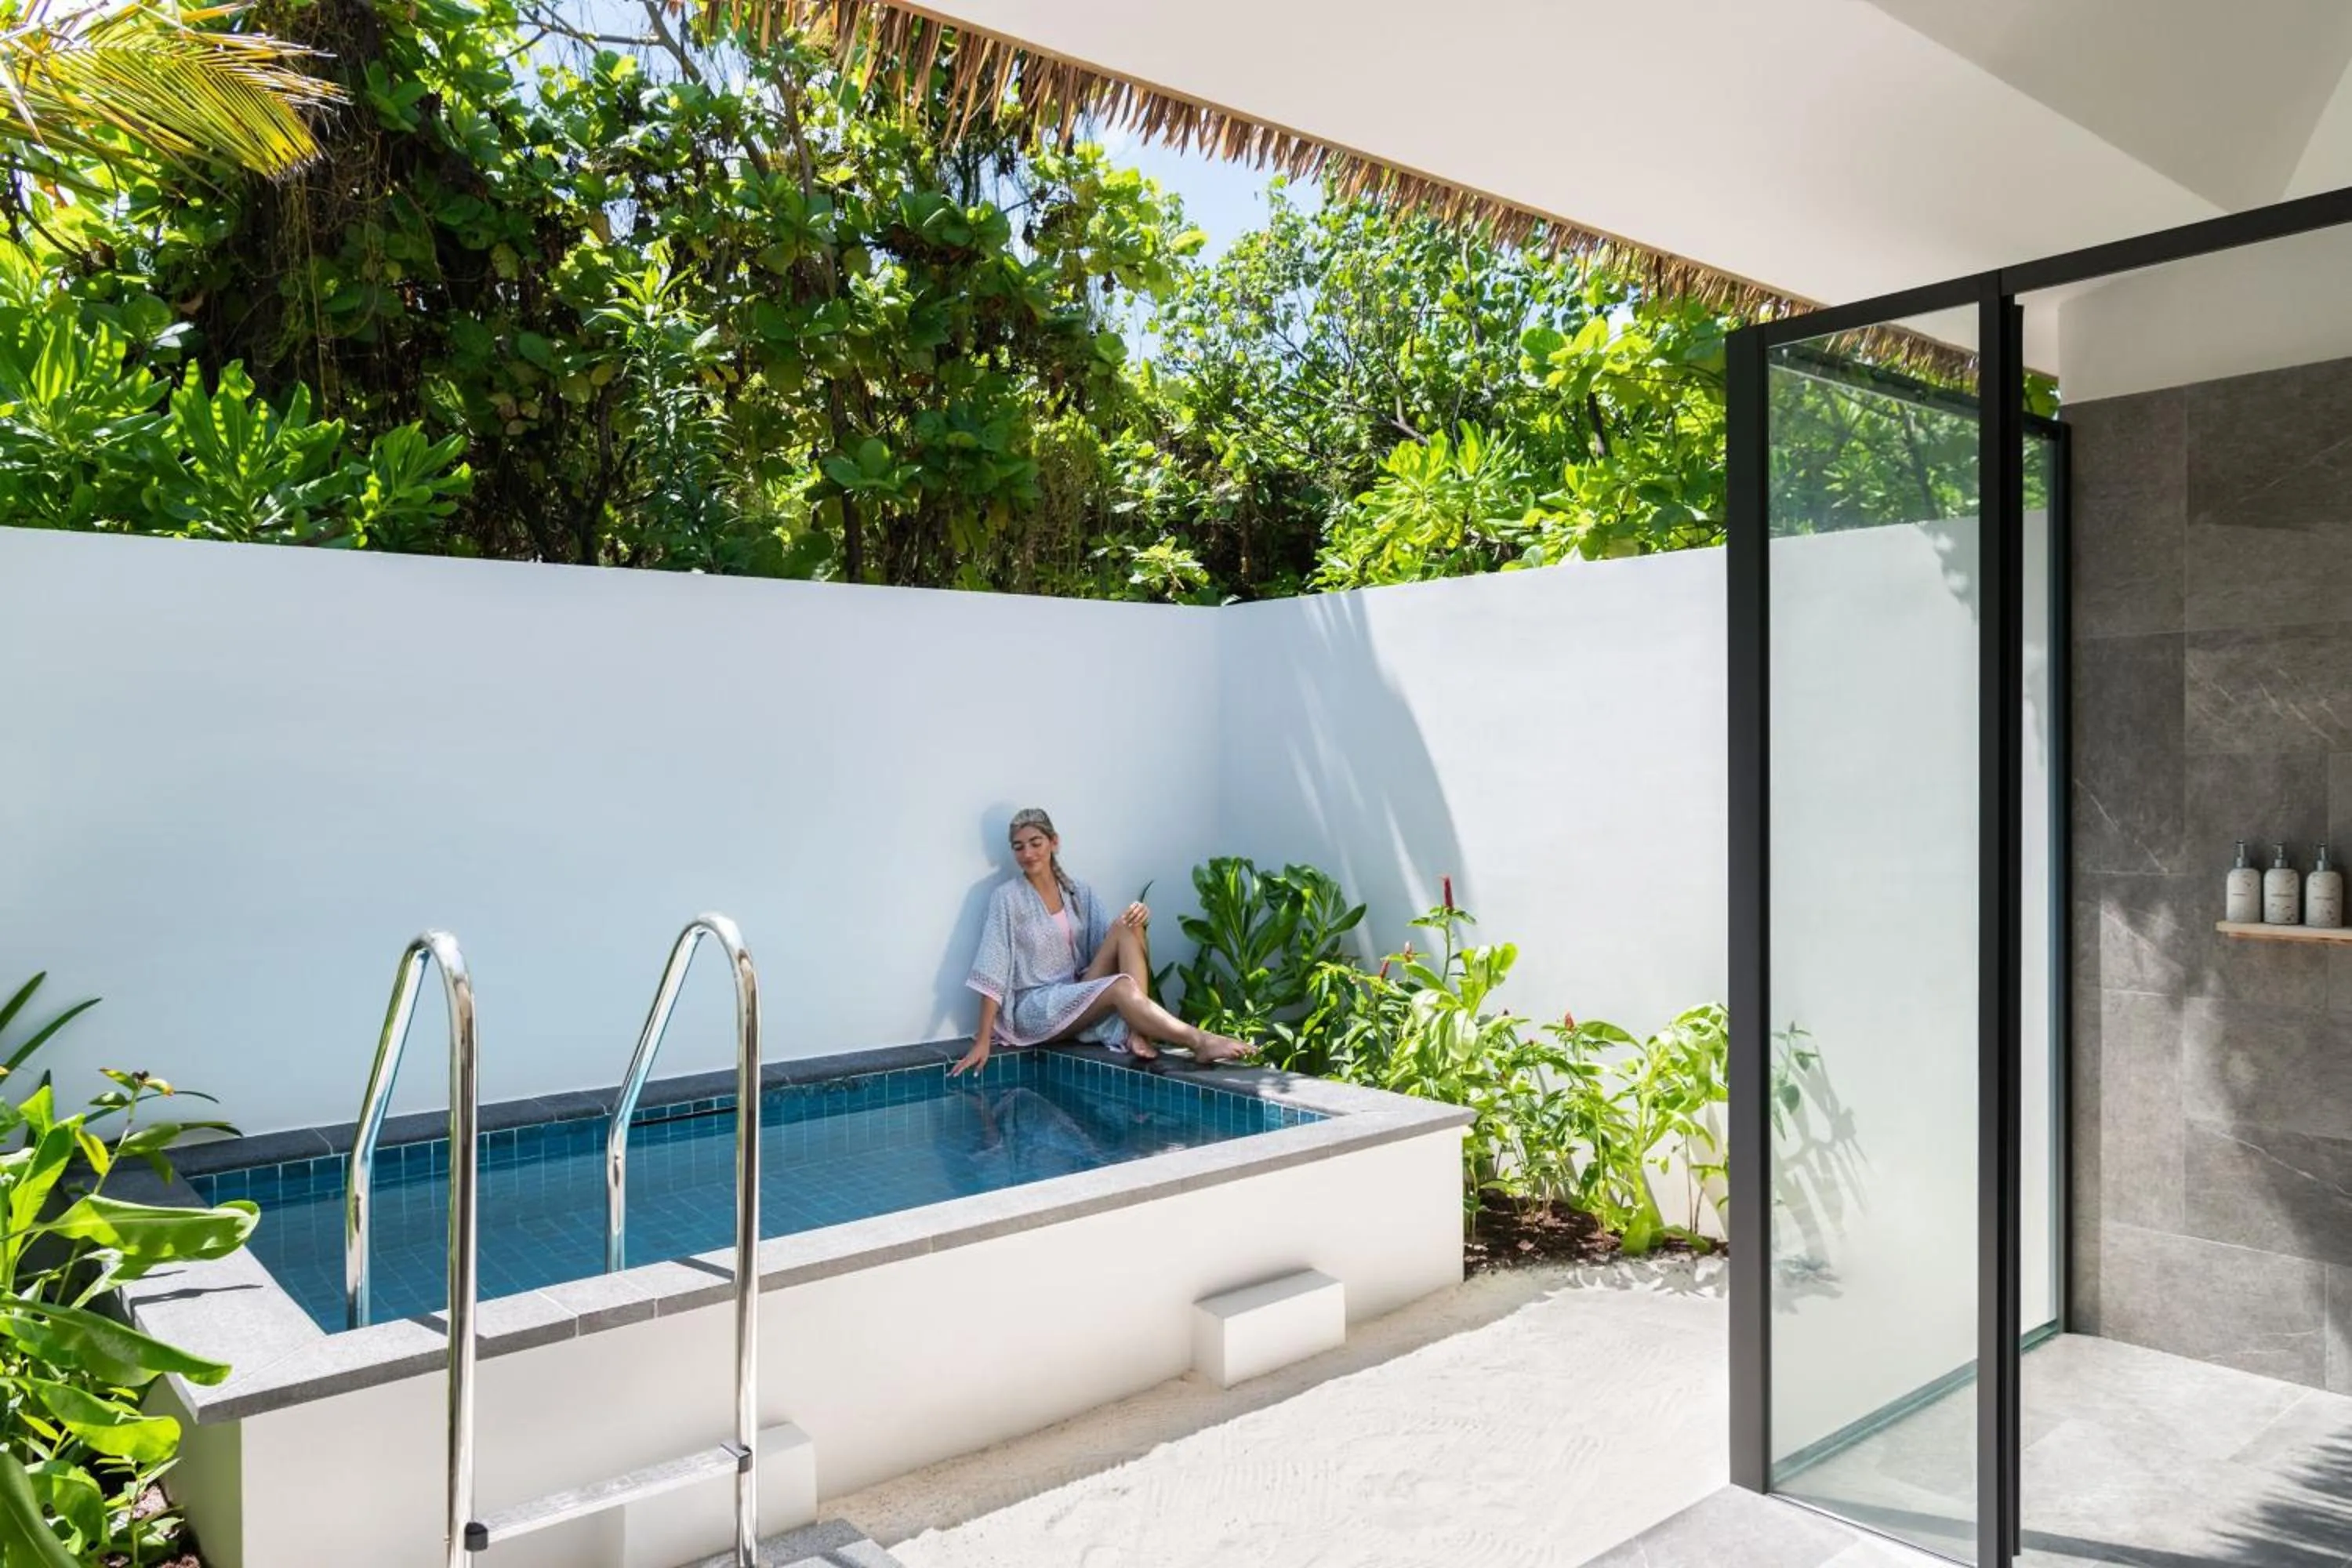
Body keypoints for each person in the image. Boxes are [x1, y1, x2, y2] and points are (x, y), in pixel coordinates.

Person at [956, 808, 1254, 1075]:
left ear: (1053, 842)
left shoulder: (1078, 892)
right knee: (1121, 986)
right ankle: (1198, 1040)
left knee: (1129, 925)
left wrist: (1139, 918)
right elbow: (993, 968)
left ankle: (1139, 1032)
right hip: (1035, 1007)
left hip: (1073, 992)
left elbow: (1109, 943)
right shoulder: (1007, 898)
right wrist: (983, 1040)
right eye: (1019, 847)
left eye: (1036, 843)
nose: (1028, 853)